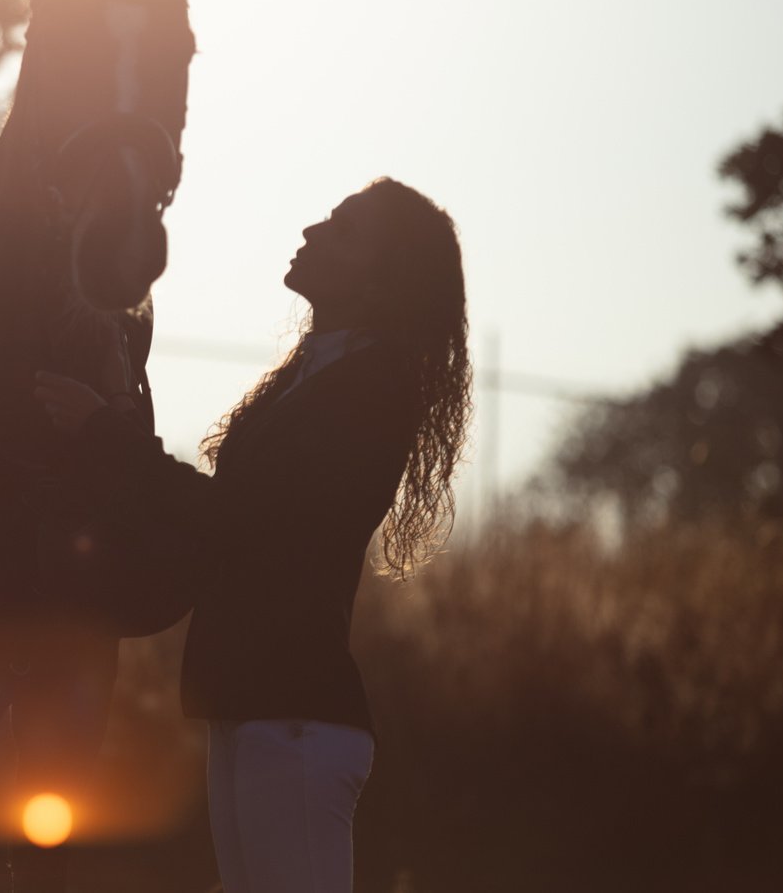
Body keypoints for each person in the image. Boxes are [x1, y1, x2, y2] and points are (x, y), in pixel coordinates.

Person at [34, 177, 471, 893]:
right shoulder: (319, 375)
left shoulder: (368, 392)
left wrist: (105, 430)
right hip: (250, 705)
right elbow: (226, 526)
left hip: (294, 717)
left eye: (344, 229)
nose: (313, 231)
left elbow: (238, 522)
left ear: (380, 277)